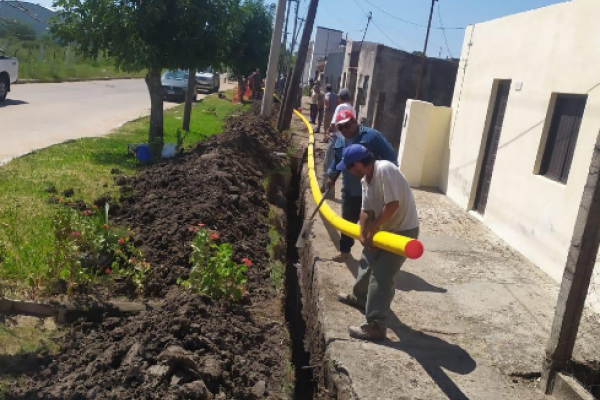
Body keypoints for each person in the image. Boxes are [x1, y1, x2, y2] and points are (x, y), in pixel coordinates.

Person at [335, 144, 419, 341]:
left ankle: (376, 326)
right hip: (385, 229)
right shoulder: (366, 180)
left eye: (348, 167)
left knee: (381, 275)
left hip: (403, 232)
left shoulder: (385, 169)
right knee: (367, 259)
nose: (347, 172)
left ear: (357, 164)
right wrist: (364, 235)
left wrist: (372, 228)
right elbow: (365, 211)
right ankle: (359, 297)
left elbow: (392, 206)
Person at [325, 109, 397, 262]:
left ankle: (374, 255)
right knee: (347, 221)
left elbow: (391, 157)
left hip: (373, 191)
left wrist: (387, 180)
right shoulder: (340, 141)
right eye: (341, 127)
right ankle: (344, 251)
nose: (344, 130)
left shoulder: (372, 137)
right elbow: (338, 160)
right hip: (351, 190)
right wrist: (332, 175)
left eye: (347, 125)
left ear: (355, 122)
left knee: (373, 225)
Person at [321, 88, 354, 197]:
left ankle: (328, 192)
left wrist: (327, 132)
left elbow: (333, 125)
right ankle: (326, 188)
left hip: (336, 140)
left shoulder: (340, 107)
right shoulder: (352, 109)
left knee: (328, 164)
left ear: (340, 98)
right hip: (347, 141)